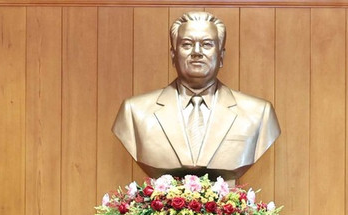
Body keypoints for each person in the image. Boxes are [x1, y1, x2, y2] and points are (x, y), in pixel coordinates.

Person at [112, 11, 280, 181]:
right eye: (187, 44)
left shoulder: (259, 113)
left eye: (207, 44)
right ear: (173, 55)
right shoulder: (134, 112)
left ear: (221, 55)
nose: (197, 52)